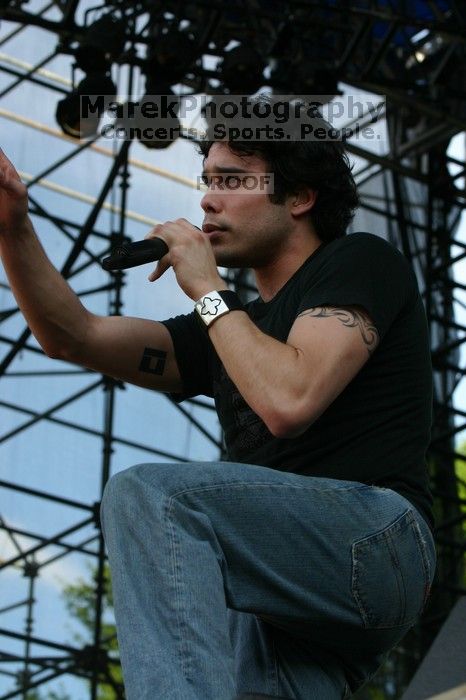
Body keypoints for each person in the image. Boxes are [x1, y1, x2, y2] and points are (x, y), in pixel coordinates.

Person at [0, 112, 436, 700]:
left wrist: (208, 291)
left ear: (301, 196)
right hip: (285, 589)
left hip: (377, 543)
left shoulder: (357, 261)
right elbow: (74, 336)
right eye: (207, 181)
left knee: (153, 496)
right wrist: (12, 227)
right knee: (238, 665)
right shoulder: (228, 330)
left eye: (231, 181)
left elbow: (289, 399)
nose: (207, 202)